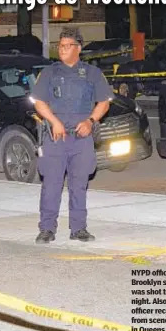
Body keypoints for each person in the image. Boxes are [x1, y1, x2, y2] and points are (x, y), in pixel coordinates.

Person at [30, 27, 111, 244]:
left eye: (67, 46)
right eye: (60, 46)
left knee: (79, 184)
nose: (63, 49)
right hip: (56, 138)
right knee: (51, 185)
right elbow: (39, 101)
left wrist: (90, 121)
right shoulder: (49, 72)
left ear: (79, 48)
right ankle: (47, 228)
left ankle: (79, 228)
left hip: (81, 138)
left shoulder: (92, 73)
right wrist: (54, 122)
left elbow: (104, 102)